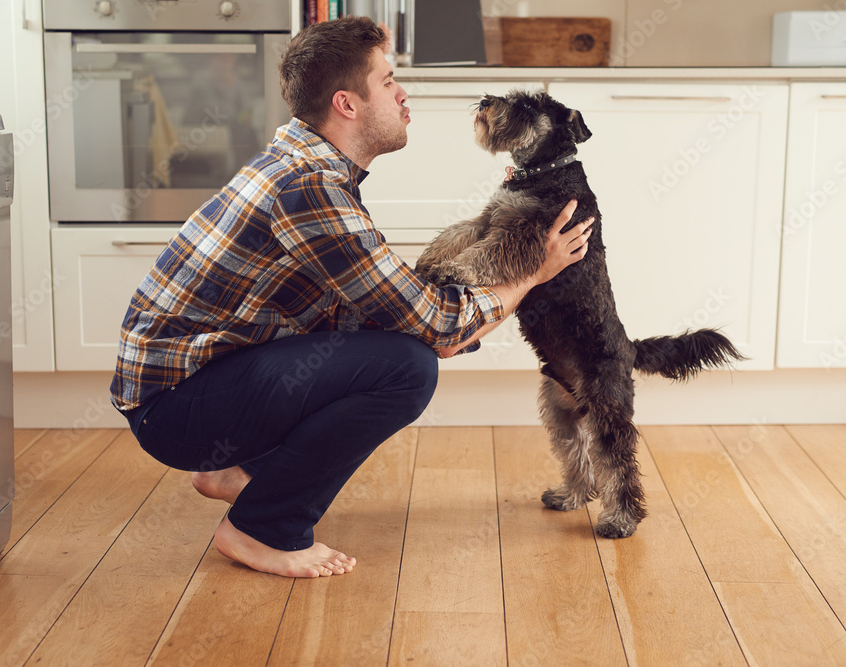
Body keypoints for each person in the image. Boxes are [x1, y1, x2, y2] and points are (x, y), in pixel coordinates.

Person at [109, 16, 593, 579]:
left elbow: (387, 307)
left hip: (196, 385)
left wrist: (443, 324)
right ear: (347, 103)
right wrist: (532, 272)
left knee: (394, 341)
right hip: (175, 411)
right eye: (388, 81)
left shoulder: (313, 168)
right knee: (406, 368)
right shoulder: (310, 188)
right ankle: (261, 528)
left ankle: (237, 471)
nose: (403, 92)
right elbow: (435, 328)